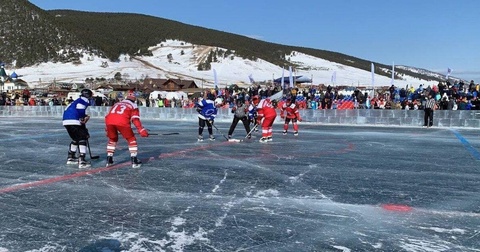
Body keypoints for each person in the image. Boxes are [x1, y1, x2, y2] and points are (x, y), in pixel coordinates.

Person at [104, 91, 149, 168]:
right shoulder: (133, 105)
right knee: (131, 139)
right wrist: (141, 130)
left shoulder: (117, 103)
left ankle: (109, 159)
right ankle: (134, 161)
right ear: (134, 98)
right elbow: (135, 119)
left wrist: (107, 128)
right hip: (122, 122)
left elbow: (108, 116)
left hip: (109, 122)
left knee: (112, 139)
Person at [63, 89, 93, 168]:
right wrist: (83, 118)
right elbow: (80, 109)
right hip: (74, 120)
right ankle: (82, 160)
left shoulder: (76, 100)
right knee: (82, 138)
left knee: (75, 139)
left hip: (66, 121)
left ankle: (71, 157)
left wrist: (83, 116)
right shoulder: (84, 100)